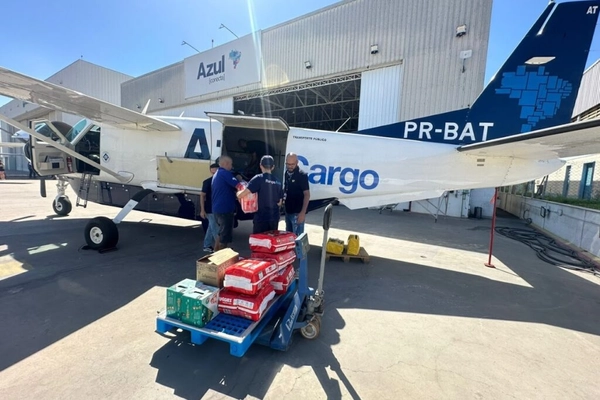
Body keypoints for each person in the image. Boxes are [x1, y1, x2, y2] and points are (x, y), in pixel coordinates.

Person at [237, 155, 283, 234]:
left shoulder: (258, 178)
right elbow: (280, 203)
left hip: (261, 217)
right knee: (271, 242)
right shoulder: (278, 181)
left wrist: (238, 193)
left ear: (260, 165)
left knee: (259, 243)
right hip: (274, 218)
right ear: (273, 167)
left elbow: (243, 194)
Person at [211, 156, 242, 251]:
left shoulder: (217, 173)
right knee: (224, 237)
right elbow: (239, 185)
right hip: (225, 210)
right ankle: (221, 258)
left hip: (218, 209)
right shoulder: (225, 173)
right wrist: (239, 179)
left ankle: (215, 254)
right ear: (226, 164)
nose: (232, 166)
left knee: (220, 234)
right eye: (231, 164)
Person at [283, 152, 310, 235]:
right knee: (288, 239)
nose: (290, 166)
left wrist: (302, 213)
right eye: (288, 164)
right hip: (288, 211)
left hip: (297, 213)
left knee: (298, 241)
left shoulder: (302, 175)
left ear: (297, 162)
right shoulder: (286, 173)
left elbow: (307, 194)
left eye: (292, 164)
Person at [200, 162, 219, 252]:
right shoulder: (207, 182)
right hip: (210, 209)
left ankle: (206, 245)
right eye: (213, 173)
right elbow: (202, 196)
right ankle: (219, 247)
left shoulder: (220, 182)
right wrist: (202, 210)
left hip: (216, 208)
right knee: (215, 228)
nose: (214, 174)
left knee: (211, 228)